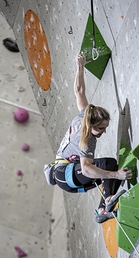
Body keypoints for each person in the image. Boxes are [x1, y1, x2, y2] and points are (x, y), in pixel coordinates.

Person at [53, 52, 132, 223]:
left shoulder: (85, 114)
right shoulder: (87, 140)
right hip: (65, 175)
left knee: (108, 167)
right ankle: (108, 200)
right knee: (107, 166)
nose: (104, 132)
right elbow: (87, 169)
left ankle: (103, 209)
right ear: (92, 126)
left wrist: (79, 66)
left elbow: (79, 91)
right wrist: (117, 175)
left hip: (69, 171)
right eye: (101, 129)